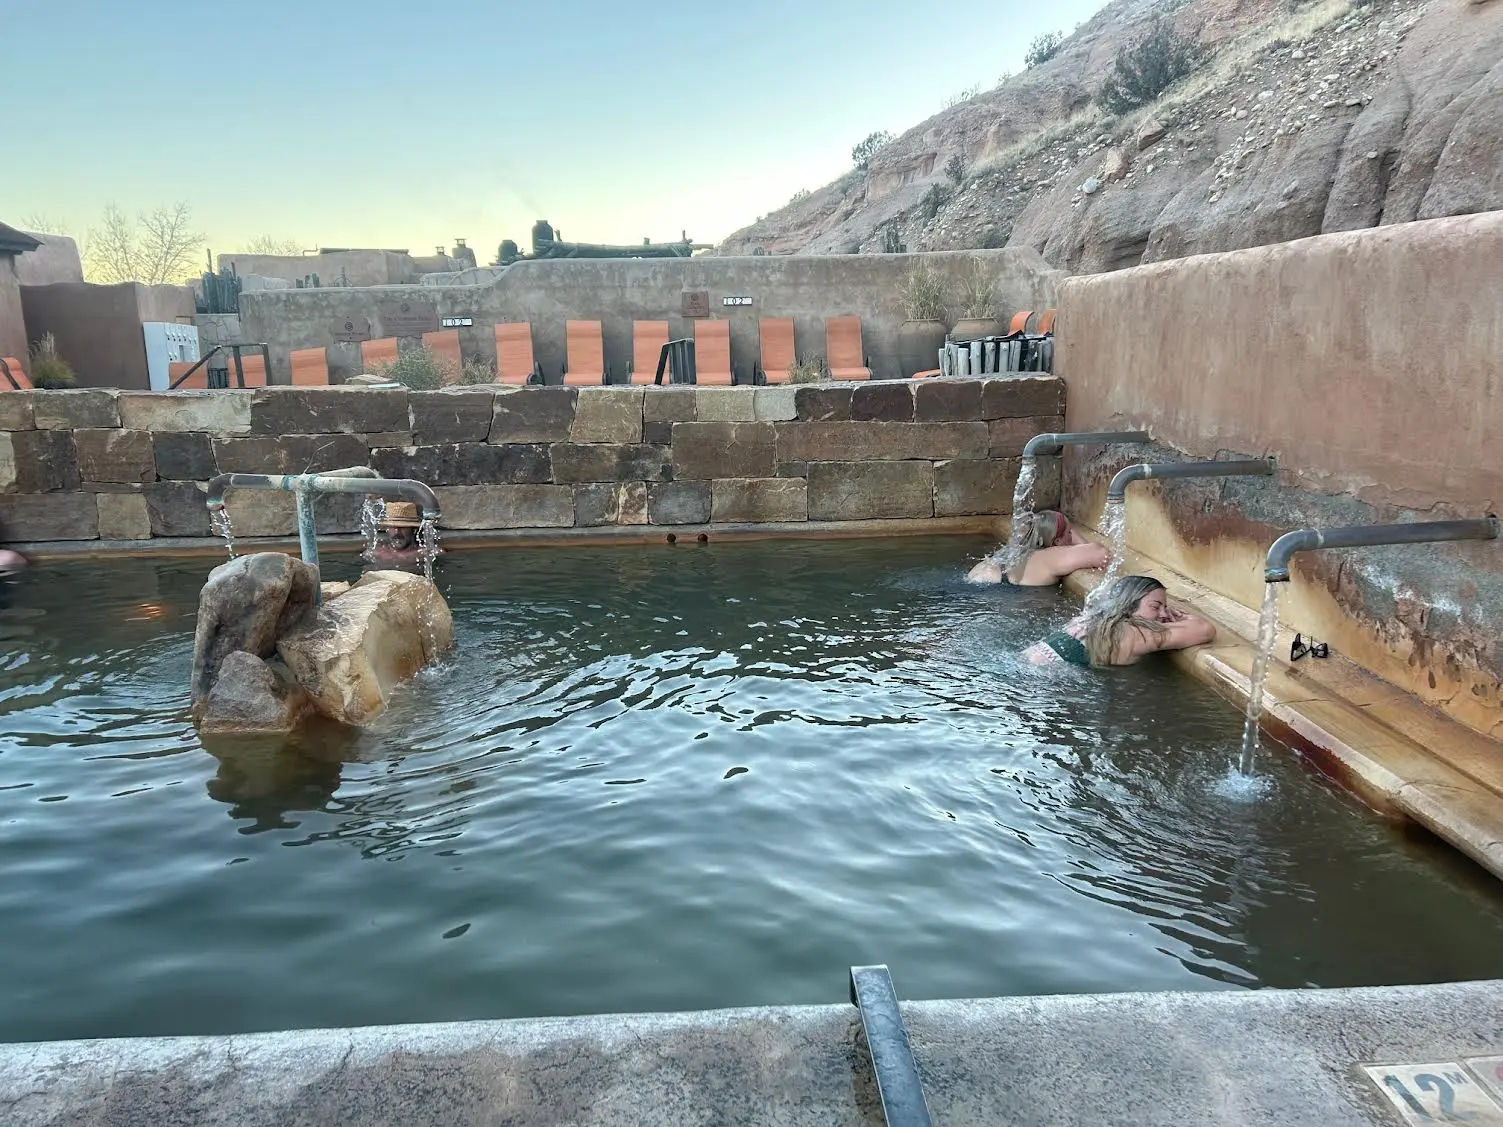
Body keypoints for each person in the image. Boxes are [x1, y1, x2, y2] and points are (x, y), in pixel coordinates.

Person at [1026, 574, 1215, 668]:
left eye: (1165, 608)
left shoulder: (1094, 618)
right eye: (1155, 607)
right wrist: (1182, 616)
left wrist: (1160, 611)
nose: (1164, 615)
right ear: (1129, 605)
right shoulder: (1132, 634)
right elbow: (1204, 629)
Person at [966, 509, 1109, 586]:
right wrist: (1076, 540)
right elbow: (1100, 553)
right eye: (1069, 533)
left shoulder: (1016, 550)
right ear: (1057, 541)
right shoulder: (1050, 556)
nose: (1071, 536)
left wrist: (1067, 531)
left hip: (976, 578)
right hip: (998, 591)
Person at [364, 501, 428, 573]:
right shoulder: (374, 554)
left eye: (402, 527)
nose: (397, 531)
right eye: (392, 527)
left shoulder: (427, 554)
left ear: (414, 529)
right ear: (387, 529)